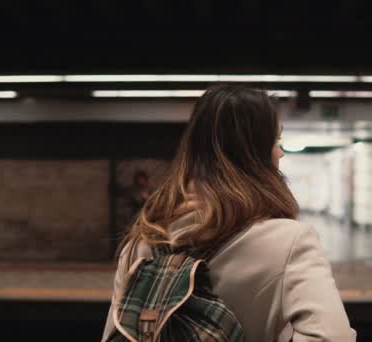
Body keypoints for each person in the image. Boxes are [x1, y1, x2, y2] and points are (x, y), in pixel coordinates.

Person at [102, 85, 356, 341]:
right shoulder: (292, 243)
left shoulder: (142, 243)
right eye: (276, 141)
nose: (280, 152)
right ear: (253, 154)